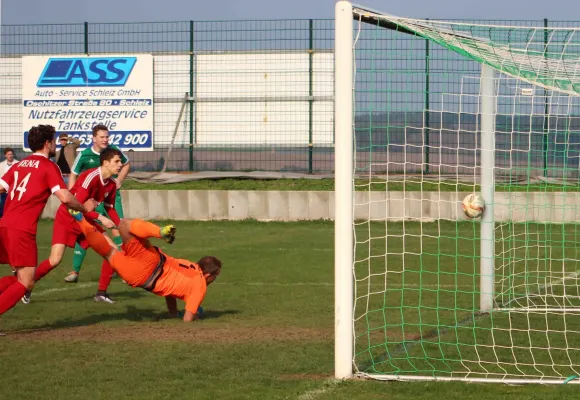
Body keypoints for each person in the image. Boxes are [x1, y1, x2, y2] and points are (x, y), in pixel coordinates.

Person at [0, 124, 95, 319]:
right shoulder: (48, 166)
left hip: (4, 224)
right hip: (22, 229)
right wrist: (84, 207)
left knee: (20, 278)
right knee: (26, 282)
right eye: (53, 142)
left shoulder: (19, 165)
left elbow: (1, 187)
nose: (55, 146)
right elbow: (66, 197)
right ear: (47, 143)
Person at [71, 212, 222, 321]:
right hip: (142, 277)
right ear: (208, 276)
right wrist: (196, 315)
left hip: (152, 259)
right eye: (216, 276)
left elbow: (172, 291)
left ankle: (159, 232)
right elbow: (187, 319)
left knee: (124, 225)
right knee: (108, 253)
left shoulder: (191, 266)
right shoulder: (200, 286)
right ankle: (80, 220)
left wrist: (173, 313)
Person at [23, 147, 124, 305]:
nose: (120, 164)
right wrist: (100, 217)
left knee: (112, 252)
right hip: (68, 217)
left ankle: (101, 293)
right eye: (117, 161)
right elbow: (74, 207)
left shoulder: (111, 184)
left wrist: (122, 225)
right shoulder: (90, 177)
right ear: (105, 162)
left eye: (120, 161)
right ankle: (25, 286)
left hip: (85, 220)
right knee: (55, 259)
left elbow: (110, 208)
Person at [65, 124, 130, 283]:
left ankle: (124, 267)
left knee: (118, 229)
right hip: (91, 200)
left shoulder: (114, 150)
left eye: (107, 136)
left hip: (110, 197)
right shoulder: (85, 155)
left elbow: (126, 164)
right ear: (94, 138)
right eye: (102, 137)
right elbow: (73, 174)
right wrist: (71, 195)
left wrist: (119, 180)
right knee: (87, 231)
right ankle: (75, 271)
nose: (105, 139)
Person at [0, 148, 18, 218]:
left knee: (14, 207)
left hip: (14, 190)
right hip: (4, 191)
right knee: (3, 206)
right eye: (8, 154)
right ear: (5, 155)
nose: (10, 156)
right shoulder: (1, 165)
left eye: (11, 154)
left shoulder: (18, 163)